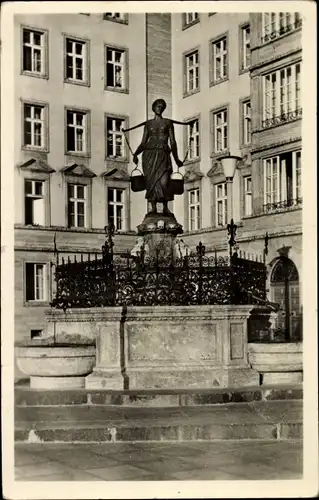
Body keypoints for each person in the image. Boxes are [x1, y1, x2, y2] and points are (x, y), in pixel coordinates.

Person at [130, 99, 184, 215]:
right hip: (149, 155)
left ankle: (165, 207)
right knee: (151, 182)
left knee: (165, 181)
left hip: (163, 154)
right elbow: (143, 142)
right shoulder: (148, 124)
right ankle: (153, 207)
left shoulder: (168, 123)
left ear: (163, 109)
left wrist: (176, 159)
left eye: (161, 106)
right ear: (153, 108)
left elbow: (173, 142)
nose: (159, 108)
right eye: (157, 106)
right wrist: (135, 153)